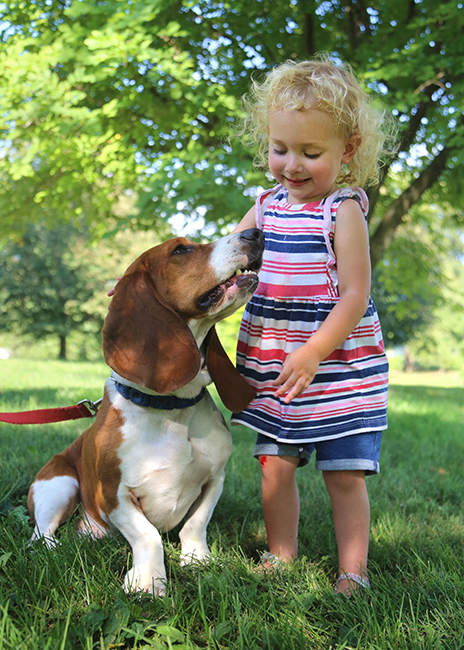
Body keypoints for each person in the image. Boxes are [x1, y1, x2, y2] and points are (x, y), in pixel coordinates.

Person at [230, 56, 395, 595]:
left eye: (310, 152)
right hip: (279, 361)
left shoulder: (342, 209)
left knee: (343, 474)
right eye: (280, 149)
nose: (291, 165)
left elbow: (355, 294)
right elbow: (225, 260)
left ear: (347, 151)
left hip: (337, 364)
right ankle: (282, 556)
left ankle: (353, 572)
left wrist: (316, 350)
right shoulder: (264, 206)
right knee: (274, 465)